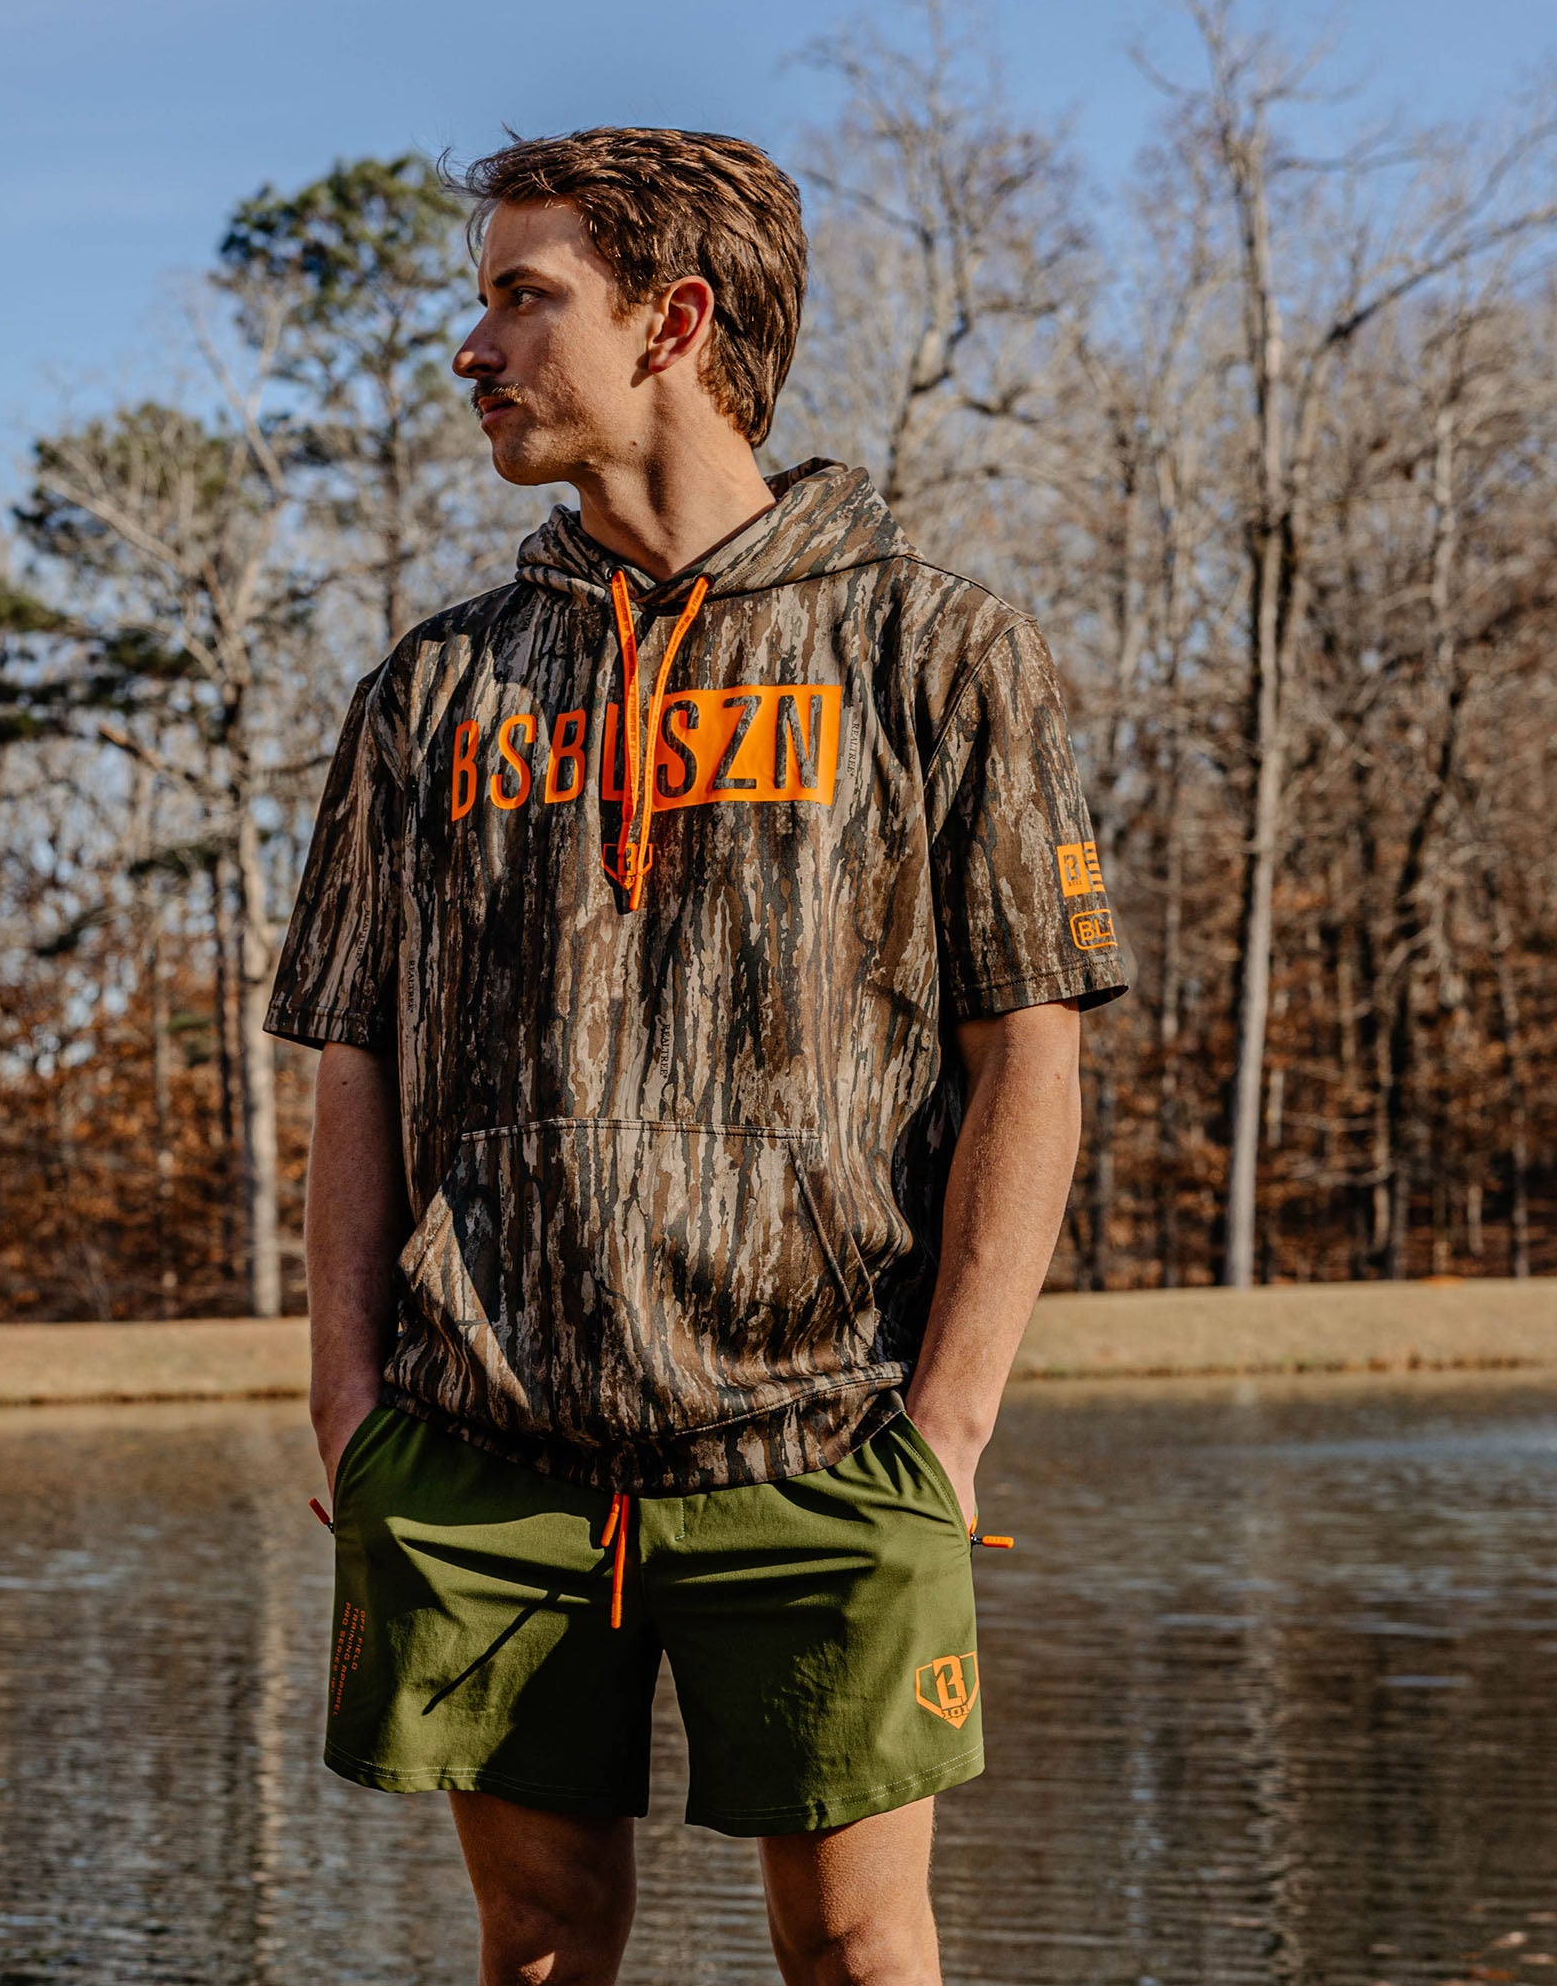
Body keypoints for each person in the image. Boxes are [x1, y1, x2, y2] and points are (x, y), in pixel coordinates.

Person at [265, 126, 1127, 1986]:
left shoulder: (933, 650)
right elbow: (352, 1053)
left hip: (821, 1440)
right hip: (486, 1453)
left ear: (674, 318)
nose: (472, 347)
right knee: (542, 1940)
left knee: (858, 1946)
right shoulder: (431, 688)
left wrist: (949, 1425)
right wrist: (349, 1396)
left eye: (519, 297)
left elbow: (1027, 1054)